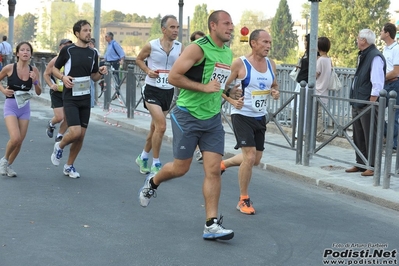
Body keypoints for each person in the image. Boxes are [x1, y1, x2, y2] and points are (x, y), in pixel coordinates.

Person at [138, 10, 235, 241]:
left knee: (213, 170)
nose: (231, 27)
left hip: (212, 119)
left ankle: (211, 224)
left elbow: (217, 83)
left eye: (232, 24)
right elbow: (173, 77)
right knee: (181, 168)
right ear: (213, 26)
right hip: (187, 116)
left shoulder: (227, 52)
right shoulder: (197, 48)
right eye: (226, 23)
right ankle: (153, 181)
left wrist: (230, 92)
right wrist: (204, 88)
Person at [220, 29, 279, 215]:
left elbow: (274, 85)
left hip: (259, 116)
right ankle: (243, 199)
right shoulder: (240, 63)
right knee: (250, 156)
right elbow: (222, 87)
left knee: (255, 159)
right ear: (253, 43)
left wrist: (274, 92)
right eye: (264, 42)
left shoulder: (271, 64)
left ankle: (225, 164)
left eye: (270, 42)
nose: (268, 46)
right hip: (241, 115)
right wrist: (231, 100)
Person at [50, 19, 108, 178]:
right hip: (70, 97)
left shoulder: (94, 52)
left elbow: (94, 77)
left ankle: (69, 166)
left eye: (89, 30)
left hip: (85, 98)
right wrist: (63, 77)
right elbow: (54, 69)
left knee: (81, 136)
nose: (89, 33)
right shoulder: (68, 50)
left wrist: (101, 72)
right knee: (74, 132)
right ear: (77, 33)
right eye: (85, 30)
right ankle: (59, 146)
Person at [135, 15, 184, 174]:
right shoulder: (152, 45)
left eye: (177, 27)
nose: (176, 30)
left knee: (155, 127)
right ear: (163, 29)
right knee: (162, 126)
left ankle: (142, 157)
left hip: (168, 91)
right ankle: (156, 163)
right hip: (152, 90)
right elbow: (139, 59)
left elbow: (185, 65)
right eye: (172, 27)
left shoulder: (179, 47)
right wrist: (148, 70)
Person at [345, 29, 386, 177]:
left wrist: (372, 102)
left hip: (367, 102)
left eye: (358, 38)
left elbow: (377, 83)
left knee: (370, 135)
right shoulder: (364, 55)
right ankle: (360, 163)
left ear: (364, 40)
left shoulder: (375, 57)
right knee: (359, 134)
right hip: (358, 100)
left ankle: (372, 166)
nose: (356, 40)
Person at [0, 42, 42, 177]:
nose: (25, 52)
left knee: (20, 141)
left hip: (25, 107)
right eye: (22, 50)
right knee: (15, 137)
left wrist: (35, 81)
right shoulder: (9, 68)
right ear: (17, 53)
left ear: (30, 54)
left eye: (28, 50)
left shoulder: (34, 70)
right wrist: (3, 90)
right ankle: (4, 160)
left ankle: (9, 165)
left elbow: (39, 91)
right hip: (11, 106)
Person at [44, 39, 72, 142]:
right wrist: (51, 84)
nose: (67, 47)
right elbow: (46, 74)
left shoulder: (73, 60)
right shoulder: (55, 60)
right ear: (60, 47)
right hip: (57, 92)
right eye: (65, 45)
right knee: (60, 117)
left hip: (69, 92)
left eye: (69, 45)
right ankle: (51, 124)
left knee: (69, 116)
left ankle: (60, 135)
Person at [380, 22, 399, 152]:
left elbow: (396, 71)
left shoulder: (396, 49)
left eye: (382, 31)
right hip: (386, 84)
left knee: (393, 114)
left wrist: (381, 77)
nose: (380, 33)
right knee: (376, 110)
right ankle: (388, 136)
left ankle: (394, 144)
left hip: (394, 83)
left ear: (387, 33)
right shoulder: (385, 49)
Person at [189, 30, 206, 163]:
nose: (199, 44)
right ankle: (197, 149)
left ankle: (201, 149)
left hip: (207, 100)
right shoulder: (188, 57)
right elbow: (176, 76)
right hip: (191, 99)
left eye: (202, 40)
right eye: (196, 41)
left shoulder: (210, 57)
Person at [315, 37, 332, 142]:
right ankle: (318, 134)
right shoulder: (329, 60)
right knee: (319, 114)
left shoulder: (320, 60)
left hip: (317, 89)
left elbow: (316, 74)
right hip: (325, 90)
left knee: (317, 114)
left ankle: (318, 135)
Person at [293, 34, 310, 137]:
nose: (304, 43)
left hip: (306, 84)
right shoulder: (306, 54)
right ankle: (299, 131)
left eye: (305, 41)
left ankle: (301, 132)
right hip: (301, 82)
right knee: (298, 108)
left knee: (302, 108)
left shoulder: (314, 56)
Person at [88, 38, 99, 108]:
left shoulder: (94, 51)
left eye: (90, 44)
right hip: (90, 72)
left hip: (92, 72)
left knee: (91, 87)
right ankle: (91, 103)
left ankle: (91, 103)